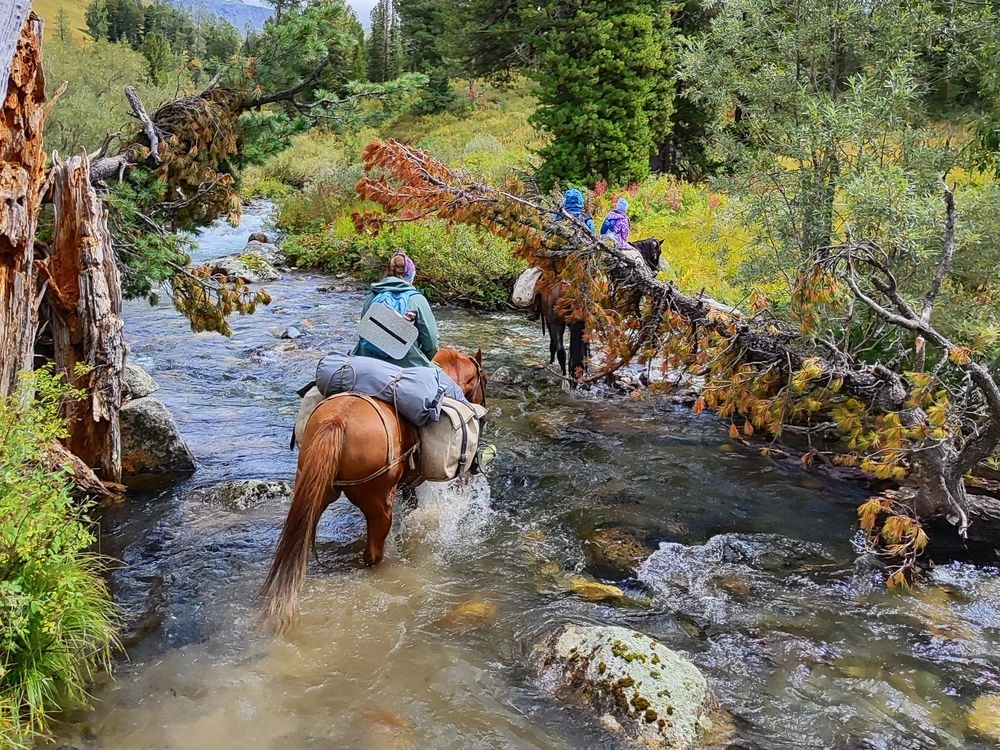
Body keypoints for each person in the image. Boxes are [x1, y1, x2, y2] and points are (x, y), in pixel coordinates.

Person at [352, 252, 439, 368]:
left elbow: (363, 331)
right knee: (447, 383)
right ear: (410, 275)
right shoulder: (417, 299)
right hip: (407, 363)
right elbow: (431, 342)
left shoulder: (372, 296)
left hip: (368, 359)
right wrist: (422, 358)